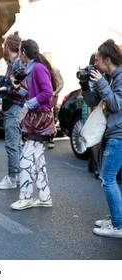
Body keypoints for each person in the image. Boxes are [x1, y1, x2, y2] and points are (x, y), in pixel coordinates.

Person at [9, 39, 60, 210]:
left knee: (25, 159)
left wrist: (28, 105)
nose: (19, 56)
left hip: (39, 119)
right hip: (40, 119)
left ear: (24, 52)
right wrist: (18, 88)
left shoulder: (37, 68)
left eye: (20, 52)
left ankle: (26, 197)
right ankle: (44, 197)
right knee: (38, 161)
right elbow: (34, 93)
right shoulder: (34, 68)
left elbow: (47, 92)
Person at [79, 39, 122, 238]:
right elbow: (93, 100)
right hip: (111, 133)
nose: (95, 63)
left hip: (119, 135)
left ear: (107, 59)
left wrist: (102, 82)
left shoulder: (119, 77)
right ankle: (116, 218)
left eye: (97, 59)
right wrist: (85, 85)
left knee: (108, 179)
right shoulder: (108, 76)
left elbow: (115, 105)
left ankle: (118, 225)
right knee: (110, 178)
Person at [0, 32, 25, 190]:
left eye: (4, 44)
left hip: (14, 106)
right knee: (16, 144)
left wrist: (5, 88)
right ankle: (18, 176)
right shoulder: (15, 63)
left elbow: (20, 87)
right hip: (15, 106)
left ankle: (13, 178)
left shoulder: (17, 64)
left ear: (7, 46)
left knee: (12, 144)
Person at [42, 52, 64, 149]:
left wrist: (55, 93)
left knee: (51, 116)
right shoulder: (41, 69)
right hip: (44, 95)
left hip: (52, 96)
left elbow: (61, 83)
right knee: (43, 115)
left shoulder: (55, 70)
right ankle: (43, 136)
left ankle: (51, 138)